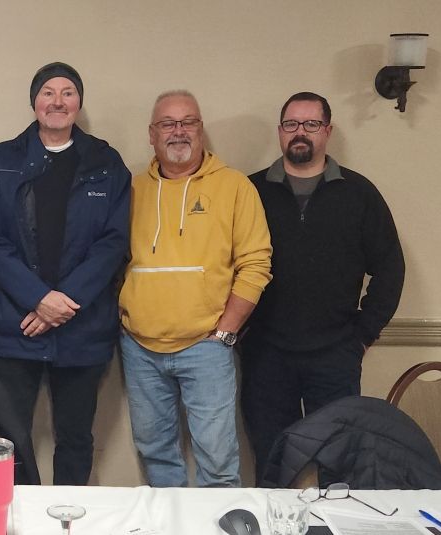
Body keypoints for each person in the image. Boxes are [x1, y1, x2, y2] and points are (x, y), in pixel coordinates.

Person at [0, 62, 131, 485]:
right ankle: (18, 520)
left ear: (79, 103)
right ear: (33, 101)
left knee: (76, 437)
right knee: (8, 437)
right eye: (48, 92)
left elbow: (113, 243)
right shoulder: (1, 159)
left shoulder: (106, 162)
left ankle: (67, 521)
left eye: (67, 93)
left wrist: (63, 302)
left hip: (82, 328)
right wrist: (38, 298)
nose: (57, 101)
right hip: (16, 326)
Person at [242, 91, 404, 483]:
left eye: (311, 124)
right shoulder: (249, 192)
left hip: (334, 355)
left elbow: (390, 268)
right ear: (280, 132)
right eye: (291, 124)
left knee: (339, 465)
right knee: (271, 462)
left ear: (327, 131)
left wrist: (363, 336)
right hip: (266, 355)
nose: (301, 133)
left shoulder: (358, 193)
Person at [118, 90, 272, 488]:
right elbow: (109, 259)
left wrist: (225, 331)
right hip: (140, 349)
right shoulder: (130, 191)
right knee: (156, 458)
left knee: (218, 463)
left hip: (206, 347)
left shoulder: (235, 187)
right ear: (151, 134)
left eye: (188, 122)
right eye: (168, 124)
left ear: (201, 130)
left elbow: (256, 264)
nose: (178, 132)